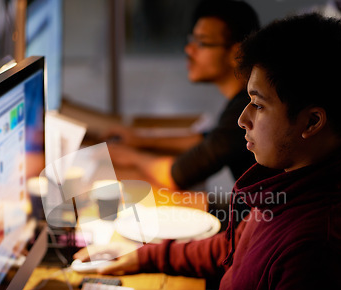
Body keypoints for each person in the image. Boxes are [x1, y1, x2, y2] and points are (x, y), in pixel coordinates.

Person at [74, 13, 341, 290]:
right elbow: (237, 249)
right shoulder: (300, 176)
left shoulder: (319, 245)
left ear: (312, 122)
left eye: (258, 104)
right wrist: (144, 256)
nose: (242, 119)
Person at [107, 0, 259, 192]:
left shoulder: (247, 107)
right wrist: (142, 139)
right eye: (191, 40)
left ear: (237, 53)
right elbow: (209, 139)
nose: (189, 50)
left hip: (261, 217)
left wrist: (130, 157)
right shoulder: (244, 99)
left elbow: (178, 175)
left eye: (201, 42)